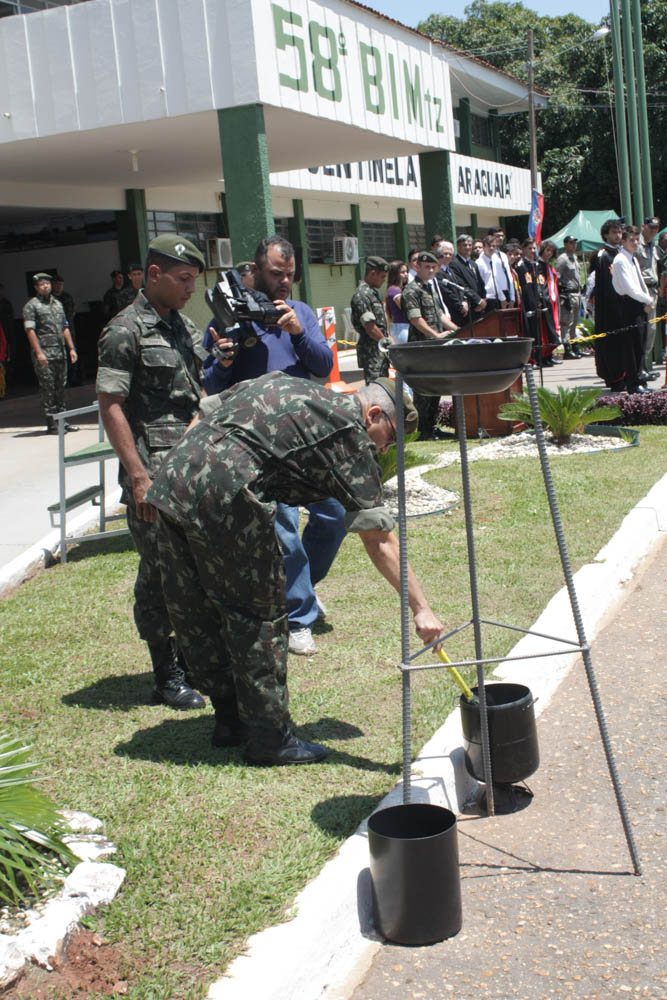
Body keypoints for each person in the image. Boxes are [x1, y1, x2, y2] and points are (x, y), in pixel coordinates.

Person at [145, 372, 444, 765]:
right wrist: (421, 608)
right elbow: (379, 539)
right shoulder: (349, 438)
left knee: (197, 605)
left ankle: (229, 719)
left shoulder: (284, 383)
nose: (384, 449)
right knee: (258, 616)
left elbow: (205, 411)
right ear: (373, 414)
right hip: (229, 496)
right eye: (388, 439)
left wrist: (185, 470)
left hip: (171, 484)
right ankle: (270, 739)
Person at [203, 235, 344, 658]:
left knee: (334, 516)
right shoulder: (230, 318)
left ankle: (300, 591)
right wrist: (223, 360)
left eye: (290, 274)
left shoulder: (300, 312)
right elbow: (210, 384)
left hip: (303, 438)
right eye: (275, 273)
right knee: (283, 530)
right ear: (255, 271)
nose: (284, 281)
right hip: (256, 444)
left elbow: (323, 365)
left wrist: (298, 334)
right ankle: (298, 618)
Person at [96, 235, 207, 710]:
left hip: (190, 468)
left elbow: (196, 393)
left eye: (194, 281)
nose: (190, 289)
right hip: (153, 476)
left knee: (195, 570)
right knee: (161, 575)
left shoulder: (182, 325)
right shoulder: (124, 330)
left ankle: (192, 659)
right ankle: (167, 674)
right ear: (155, 274)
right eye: (183, 279)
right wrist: (139, 477)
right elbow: (110, 405)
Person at [402, 251, 458, 440]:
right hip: (422, 349)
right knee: (423, 390)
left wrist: (459, 330)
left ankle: (431, 427)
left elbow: (440, 316)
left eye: (434, 267)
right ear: (417, 267)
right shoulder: (412, 290)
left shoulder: (430, 288)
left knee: (436, 387)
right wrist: (436, 335)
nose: (431, 270)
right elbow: (415, 319)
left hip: (435, 348)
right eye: (427, 267)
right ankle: (421, 430)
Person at [589, 218, 642, 392]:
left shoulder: (623, 254)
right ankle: (614, 377)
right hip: (610, 308)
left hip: (625, 307)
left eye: (620, 232)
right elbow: (602, 285)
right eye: (614, 232)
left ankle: (630, 374)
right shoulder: (602, 255)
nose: (618, 235)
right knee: (611, 343)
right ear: (606, 235)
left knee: (627, 343)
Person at [22, 272, 78, 434]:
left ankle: (63, 420)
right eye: (42, 284)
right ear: (36, 287)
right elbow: (30, 331)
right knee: (48, 387)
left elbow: (65, 327)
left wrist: (71, 348)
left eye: (47, 283)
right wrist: (39, 353)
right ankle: (52, 422)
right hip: (45, 354)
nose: (46, 286)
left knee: (61, 386)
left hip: (60, 352)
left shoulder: (58, 304)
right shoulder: (31, 306)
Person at [611, 225, 653, 394]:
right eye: (631, 240)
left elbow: (640, 283)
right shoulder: (620, 260)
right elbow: (629, 288)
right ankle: (633, 384)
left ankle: (639, 377)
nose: (635, 243)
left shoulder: (632, 259)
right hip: (628, 304)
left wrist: (646, 298)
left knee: (640, 344)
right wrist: (648, 299)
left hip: (638, 303)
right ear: (623, 242)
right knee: (632, 345)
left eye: (637, 240)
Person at [351, 256, 390, 382]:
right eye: (382, 277)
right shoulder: (362, 295)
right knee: (376, 388)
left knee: (383, 387)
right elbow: (370, 327)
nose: (384, 280)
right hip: (372, 354)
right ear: (373, 274)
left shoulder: (372, 293)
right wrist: (386, 342)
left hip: (379, 352)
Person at [635, 216, 661, 375]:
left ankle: (643, 365)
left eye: (656, 228)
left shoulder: (653, 246)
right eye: (651, 227)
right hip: (641, 291)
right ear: (643, 226)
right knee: (641, 330)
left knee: (651, 330)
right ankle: (638, 368)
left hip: (653, 292)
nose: (654, 231)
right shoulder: (636, 245)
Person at [449, 235, 487, 324]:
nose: (468, 247)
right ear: (458, 246)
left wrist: (483, 299)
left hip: (480, 307)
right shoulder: (454, 264)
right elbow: (462, 285)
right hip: (469, 307)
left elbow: (481, 283)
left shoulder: (473, 263)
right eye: (464, 245)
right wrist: (478, 301)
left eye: (470, 245)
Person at [556, 236, 583, 359]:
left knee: (575, 322)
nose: (574, 245)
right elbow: (557, 276)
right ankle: (567, 348)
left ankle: (574, 346)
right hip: (568, 294)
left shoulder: (574, 258)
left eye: (575, 243)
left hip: (577, 293)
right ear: (565, 244)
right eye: (571, 243)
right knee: (566, 322)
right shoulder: (563, 259)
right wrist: (561, 292)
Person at [51, 273, 80, 385]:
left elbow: (72, 312)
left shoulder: (67, 296)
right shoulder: (49, 298)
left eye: (61, 284)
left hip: (69, 330)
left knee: (71, 353)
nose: (59, 286)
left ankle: (73, 379)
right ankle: (61, 380)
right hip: (54, 333)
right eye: (56, 284)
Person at [536, 241, 562, 366]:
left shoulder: (549, 267)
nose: (549, 253)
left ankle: (549, 354)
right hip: (545, 301)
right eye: (547, 250)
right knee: (545, 330)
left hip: (553, 301)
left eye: (551, 251)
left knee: (552, 328)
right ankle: (543, 356)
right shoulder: (538, 266)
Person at [384, 260, 410, 344]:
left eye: (406, 271)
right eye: (402, 272)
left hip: (401, 328)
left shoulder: (400, 289)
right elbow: (407, 309)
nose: (406, 274)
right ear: (395, 274)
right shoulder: (394, 290)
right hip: (402, 328)